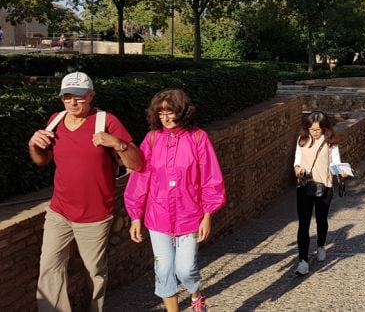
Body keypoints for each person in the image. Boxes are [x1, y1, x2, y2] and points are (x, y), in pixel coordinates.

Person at [28, 72, 144, 312]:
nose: (73, 102)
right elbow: (42, 160)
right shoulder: (55, 120)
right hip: (59, 211)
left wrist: (117, 143)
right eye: (67, 96)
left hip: (95, 215)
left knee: (95, 273)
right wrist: (33, 145)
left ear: (91, 95)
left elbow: (137, 164)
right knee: (49, 269)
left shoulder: (106, 121)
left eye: (79, 97)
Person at [124, 89, 225, 312]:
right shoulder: (151, 139)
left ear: (182, 112)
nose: (166, 118)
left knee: (186, 269)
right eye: (160, 113)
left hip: (189, 216)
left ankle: (196, 294)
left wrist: (208, 215)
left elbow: (211, 178)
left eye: (170, 112)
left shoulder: (198, 138)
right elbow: (140, 179)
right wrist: (135, 216)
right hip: (157, 216)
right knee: (163, 270)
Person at [292, 111, 347, 275]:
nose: (315, 133)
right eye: (312, 129)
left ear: (324, 128)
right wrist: (298, 169)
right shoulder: (302, 140)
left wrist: (341, 172)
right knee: (303, 224)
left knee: (321, 220)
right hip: (304, 186)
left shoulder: (330, 142)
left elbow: (335, 162)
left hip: (324, 186)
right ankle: (303, 261)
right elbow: (296, 161)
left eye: (318, 130)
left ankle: (321, 245)